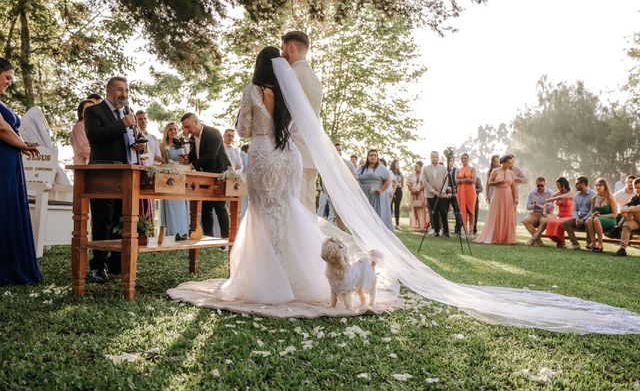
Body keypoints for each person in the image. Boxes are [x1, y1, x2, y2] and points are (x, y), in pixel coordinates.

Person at [167, 52, 640, 334]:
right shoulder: (287, 95)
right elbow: (294, 129)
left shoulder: (253, 90)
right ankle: (299, 279)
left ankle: (269, 282)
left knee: (266, 218)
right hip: (287, 157)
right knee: (288, 215)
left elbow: (244, 129)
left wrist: (253, 120)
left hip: (264, 155)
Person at [84, 76, 145, 283]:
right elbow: (95, 136)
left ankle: (117, 264)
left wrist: (137, 145)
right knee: (103, 220)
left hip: (125, 175)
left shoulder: (127, 113)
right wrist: (122, 125)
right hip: (104, 174)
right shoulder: (93, 111)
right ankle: (98, 266)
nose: (124, 94)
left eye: (126, 90)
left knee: (122, 218)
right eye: (120, 90)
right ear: (109, 90)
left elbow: (129, 140)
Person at [0, 58, 42, 285]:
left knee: (9, 207)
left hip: (9, 160)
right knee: (3, 208)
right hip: (2, 162)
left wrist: (23, 145)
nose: (9, 82)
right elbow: (1, 128)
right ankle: (6, 267)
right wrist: (22, 145)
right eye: (7, 77)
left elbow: (9, 130)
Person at [281, 30, 321, 213]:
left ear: (291, 47)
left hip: (294, 149)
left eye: (283, 48)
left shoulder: (291, 74)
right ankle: (310, 242)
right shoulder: (315, 78)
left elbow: (283, 113)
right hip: (312, 151)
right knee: (308, 206)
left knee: (293, 208)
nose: (282, 53)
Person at [180, 113, 231, 238]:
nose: (186, 130)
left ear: (196, 122)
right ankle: (209, 238)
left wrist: (191, 166)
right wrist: (186, 159)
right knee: (205, 209)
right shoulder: (194, 138)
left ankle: (225, 240)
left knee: (220, 207)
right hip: (205, 176)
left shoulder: (213, 132)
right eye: (184, 127)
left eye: (188, 126)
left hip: (220, 173)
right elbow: (196, 154)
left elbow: (210, 156)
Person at [475, 155, 517, 245]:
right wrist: (498, 182)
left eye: (511, 163)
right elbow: (489, 183)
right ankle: (495, 236)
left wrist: (515, 198)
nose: (510, 164)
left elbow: (513, 187)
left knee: (507, 215)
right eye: (509, 163)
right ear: (504, 162)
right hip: (497, 195)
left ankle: (506, 238)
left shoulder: (511, 173)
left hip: (508, 196)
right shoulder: (495, 171)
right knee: (496, 215)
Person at [158, 122, 189, 237]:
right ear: (167, 131)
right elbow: (160, 161)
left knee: (180, 206)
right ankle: (170, 233)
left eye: (175, 129)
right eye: (170, 129)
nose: (173, 131)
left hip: (180, 177)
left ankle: (182, 231)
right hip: (168, 179)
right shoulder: (162, 145)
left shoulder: (182, 144)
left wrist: (184, 161)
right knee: (170, 205)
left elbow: (187, 161)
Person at [357, 150, 393, 231]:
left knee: (377, 215)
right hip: (363, 195)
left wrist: (381, 189)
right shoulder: (361, 168)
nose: (373, 157)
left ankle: (378, 233)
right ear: (367, 157)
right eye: (371, 155)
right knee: (365, 214)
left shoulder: (381, 168)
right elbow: (354, 177)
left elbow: (389, 180)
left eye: (375, 155)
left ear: (377, 157)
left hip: (376, 195)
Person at [420, 151, 449, 237]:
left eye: (436, 157)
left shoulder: (443, 168)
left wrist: (443, 191)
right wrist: (433, 191)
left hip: (441, 194)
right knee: (434, 213)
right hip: (430, 194)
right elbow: (424, 181)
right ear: (430, 157)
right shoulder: (425, 168)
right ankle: (436, 231)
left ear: (438, 158)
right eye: (433, 157)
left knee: (443, 213)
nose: (434, 158)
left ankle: (446, 231)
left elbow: (446, 181)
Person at [562, 176, 596, 251]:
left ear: (583, 184)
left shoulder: (593, 194)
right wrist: (577, 219)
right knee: (566, 223)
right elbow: (575, 209)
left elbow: (592, 210)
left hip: (590, 217)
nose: (576, 185)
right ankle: (575, 244)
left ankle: (589, 245)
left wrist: (583, 219)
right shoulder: (576, 195)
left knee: (588, 222)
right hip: (580, 217)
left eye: (577, 184)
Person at [585, 178, 618, 252]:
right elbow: (591, 213)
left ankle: (600, 244)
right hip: (597, 219)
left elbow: (615, 215)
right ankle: (593, 243)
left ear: (605, 186)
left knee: (596, 219)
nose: (598, 187)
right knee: (590, 219)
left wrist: (601, 216)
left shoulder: (610, 198)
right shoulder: (593, 198)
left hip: (610, 220)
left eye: (600, 185)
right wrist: (594, 214)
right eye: (596, 185)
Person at [542, 177, 574, 247]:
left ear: (563, 185)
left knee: (558, 223)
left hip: (569, 216)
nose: (557, 187)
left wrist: (553, 198)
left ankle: (561, 241)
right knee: (550, 222)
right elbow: (547, 202)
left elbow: (562, 197)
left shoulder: (570, 193)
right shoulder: (557, 193)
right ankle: (559, 240)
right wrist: (544, 210)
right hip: (560, 215)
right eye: (557, 186)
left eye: (558, 186)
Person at [522, 177, 554, 246]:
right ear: (536, 184)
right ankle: (539, 242)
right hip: (535, 213)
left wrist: (540, 206)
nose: (540, 187)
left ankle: (533, 239)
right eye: (538, 185)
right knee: (525, 220)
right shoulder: (531, 193)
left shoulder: (550, 193)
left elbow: (551, 208)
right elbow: (528, 207)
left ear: (545, 184)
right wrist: (534, 205)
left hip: (547, 213)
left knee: (544, 221)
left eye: (542, 185)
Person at [615, 177, 640, 256]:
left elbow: (638, 208)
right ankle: (622, 249)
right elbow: (625, 207)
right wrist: (626, 210)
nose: (637, 189)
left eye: (639, 187)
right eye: (635, 188)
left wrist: (628, 210)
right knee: (626, 224)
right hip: (637, 221)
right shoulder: (635, 197)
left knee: (631, 211)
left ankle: (618, 227)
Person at [455, 153, 477, 235]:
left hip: (470, 191)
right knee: (462, 211)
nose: (463, 160)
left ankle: (471, 230)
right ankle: (465, 229)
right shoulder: (458, 170)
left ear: (468, 159)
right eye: (462, 158)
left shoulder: (472, 169)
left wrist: (462, 180)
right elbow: (456, 181)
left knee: (471, 211)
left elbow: (473, 180)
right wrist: (465, 180)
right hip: (461, 191)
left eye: (465, 158)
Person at [70, 99, 95, 165]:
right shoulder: (79, 126)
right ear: (81, 113)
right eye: (88, 110)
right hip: (83, 168)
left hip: (99, 166)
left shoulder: (99, 127)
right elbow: (83, 149)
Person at [407, 161, 429, 232]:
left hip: (421, 194)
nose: (415, 168)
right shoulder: (411, 175)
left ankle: (422, 226)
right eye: (415, 166)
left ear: (420, 167)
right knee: (413, 209)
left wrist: (418, 190)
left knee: (421, 210)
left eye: (417, 166)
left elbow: (424, 184)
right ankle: (414, 225)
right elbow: (408, 183)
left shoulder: (423, 175)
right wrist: (411, 189)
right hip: (413, 194)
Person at [389, 159, 404, 230]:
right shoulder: (389, 172)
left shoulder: (400, 173)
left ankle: (397, 224)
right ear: (393, 164)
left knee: (397, 208)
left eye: (398, 164)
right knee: (390, 207)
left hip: (398, 190)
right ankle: (389, 223)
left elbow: (402, 183)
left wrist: (400, 188)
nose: (398, 165)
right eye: (396, 163)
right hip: (391, 190)